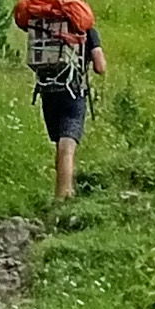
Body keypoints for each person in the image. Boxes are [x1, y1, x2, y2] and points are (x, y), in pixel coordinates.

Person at [39, 15, 106, 200]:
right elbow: (100, 67)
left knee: (60, 146)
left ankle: (63, 190)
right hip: (73, 92)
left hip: (48, 92)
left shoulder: (46, 28)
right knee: (67, 147)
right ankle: (62, 199)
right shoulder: (87, 29)